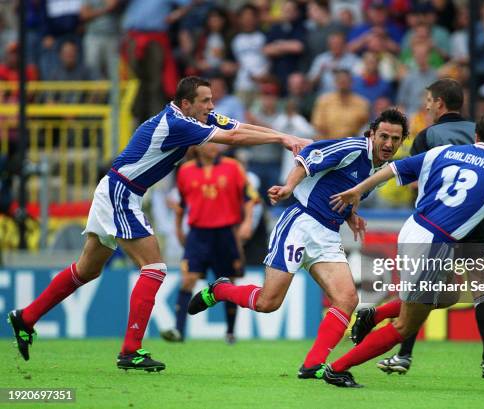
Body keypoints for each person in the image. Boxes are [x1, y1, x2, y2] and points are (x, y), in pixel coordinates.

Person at [7, 76, 309, 372]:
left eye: (212, 100)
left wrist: (283, 136)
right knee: (154, 268)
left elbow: (238, 127)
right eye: (205, 101)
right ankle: (131, 350)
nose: (211, 106)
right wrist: (282, 138)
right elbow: (232, 139)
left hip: (117, 190)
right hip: (121, 193)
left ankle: (26, 317)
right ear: (186, 103)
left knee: (87, 269)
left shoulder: (193, 115)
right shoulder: (178, 124)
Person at [324, 112, 484, 387]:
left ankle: (375, 314)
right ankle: (338, 368)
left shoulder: (445, 151)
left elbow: (394, 169)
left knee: (450, 294)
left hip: (413, 229)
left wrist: (358, 189)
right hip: (434, 244)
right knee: (406, 325)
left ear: (476, 136)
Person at [187, 109, 409, 379]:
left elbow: (344, 188)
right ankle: (221, 290)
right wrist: (289, 187)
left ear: (401, 141)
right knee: (268, 303)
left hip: (328, 234)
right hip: (300, 224)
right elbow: (308, 157)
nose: (388, 143)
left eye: (395, 139)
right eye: (383, 136)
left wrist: (351, 215)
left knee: (347, 299)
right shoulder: (352, 147)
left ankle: (312, 365)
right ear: (372, 134)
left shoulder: (378, 168)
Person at [354, 78, 484, 378]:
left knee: (421, 288)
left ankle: (404, 356)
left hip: (440, 223)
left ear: (439, 103)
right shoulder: (483, 133)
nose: (425, 105)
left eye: (428, 100)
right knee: (482, 288)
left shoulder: (429, 136)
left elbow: (416, 176)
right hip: (478, 222)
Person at [160, 142, 257, 344]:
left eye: (217, 143)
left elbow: (249, 197)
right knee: (188, 279)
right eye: (209, 142)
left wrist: (247, 222)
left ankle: (230, 332)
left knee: (228, 281)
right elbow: (182, 205)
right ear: (198, 146)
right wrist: (178, 228)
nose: (214, 146)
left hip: (225, 232)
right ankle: (178, 330)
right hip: (197, 233)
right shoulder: (185, 171)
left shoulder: (233, 167)